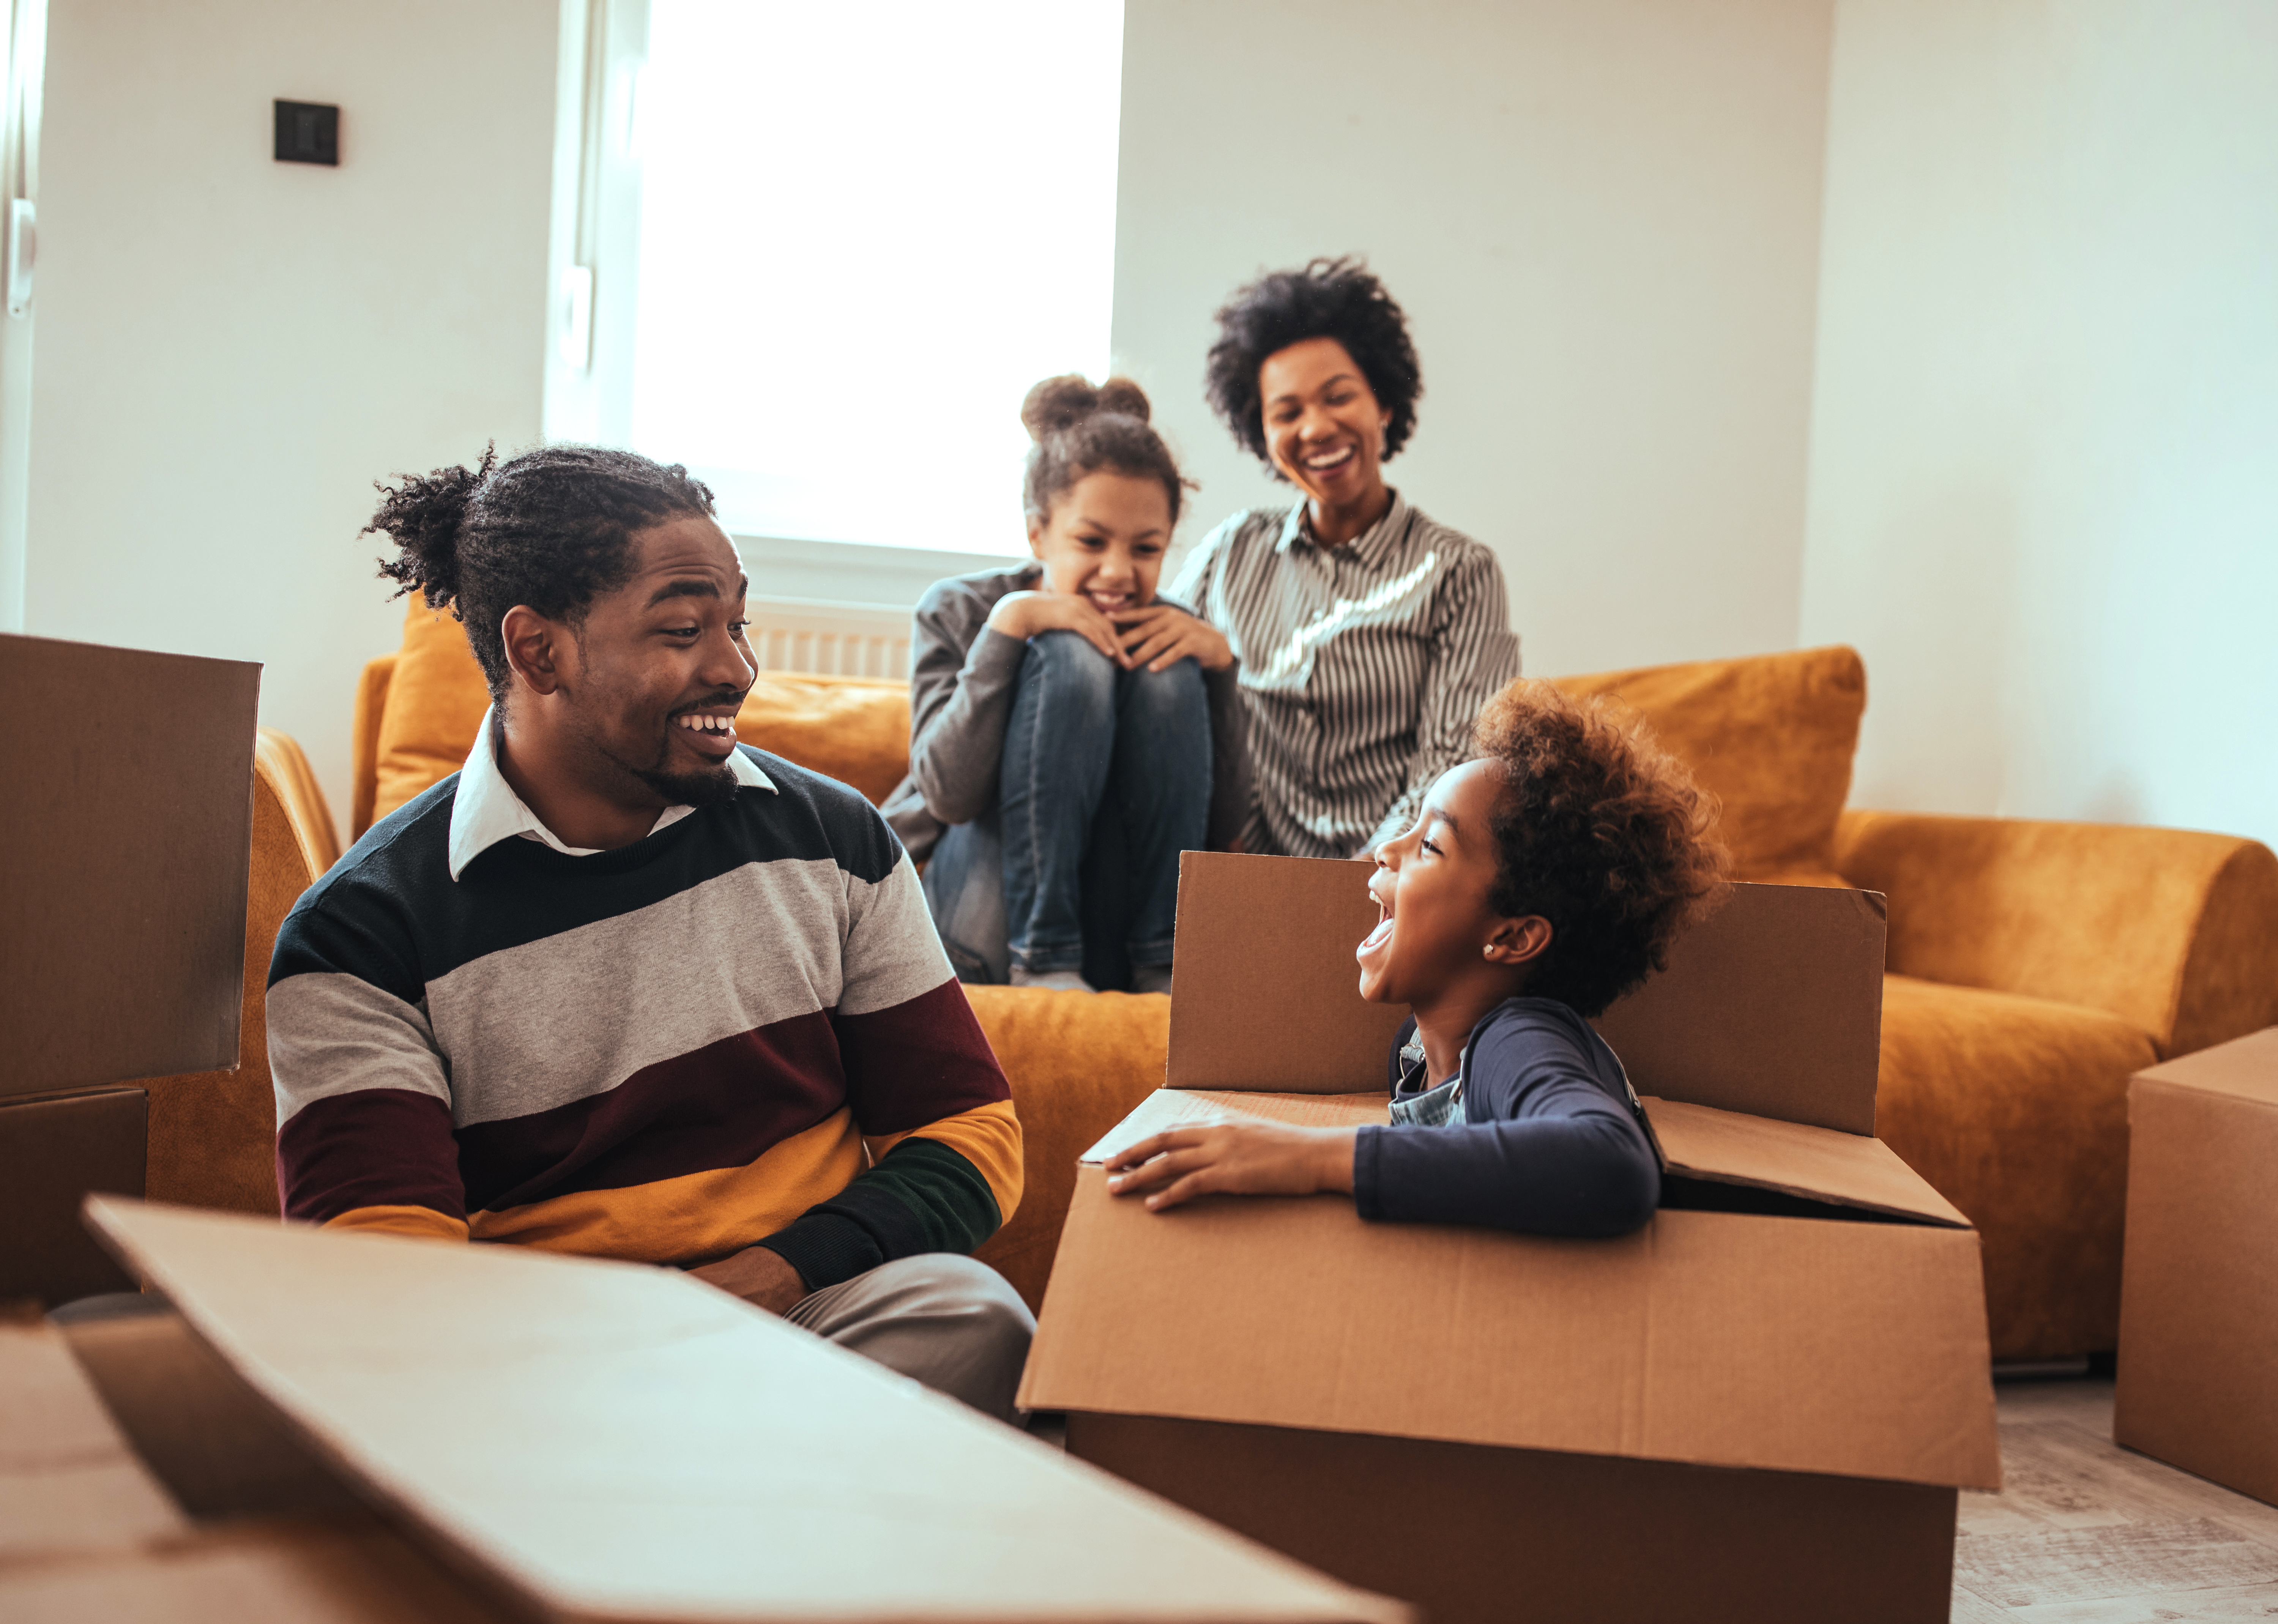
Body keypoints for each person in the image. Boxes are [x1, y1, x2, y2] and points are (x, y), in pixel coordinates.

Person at [267, 445, 1034, 1421]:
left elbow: (970, 1133)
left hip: (805, 1315)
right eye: (683, 629)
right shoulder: (359, 934)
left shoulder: (834, 839)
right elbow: (389, 1282)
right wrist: (620, 1348)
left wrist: (762, 1280)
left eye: (736, 622)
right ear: (539, 650)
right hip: (536, 1369)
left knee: (973, 1321)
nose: (737, 667)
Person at [1101, 681, 1732, 1235]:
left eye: (1430, 843)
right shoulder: (1418, 1049)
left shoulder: (1517, 1040)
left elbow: (1611, 1164)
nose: (1385, 849)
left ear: (1512, 939)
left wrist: (1310, 1158)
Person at [884, 376, 1248, 995]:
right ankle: (1043, 955)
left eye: (1146, 548)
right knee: (1071, 656)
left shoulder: (1174, 633)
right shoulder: (961, 608)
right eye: (1090, 542)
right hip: (987, 927)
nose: (1117, 571)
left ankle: (1164, 961)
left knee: (1165, 669)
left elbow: (1226, 829)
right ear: (1038, 533)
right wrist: (1009, 629)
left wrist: (1221, 672)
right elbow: (947, 795)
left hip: (1118, 939)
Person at [1173, 257, 1521, 859]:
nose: (1316, 428)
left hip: (1395, 888)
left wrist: (1357, 885)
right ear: (1262, 433)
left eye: (1339, 397)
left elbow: (1453, 765)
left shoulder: (1461, 572)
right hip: (1241, 880)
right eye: (1287, 413)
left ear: (1383, 403)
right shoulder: (1229, 553)